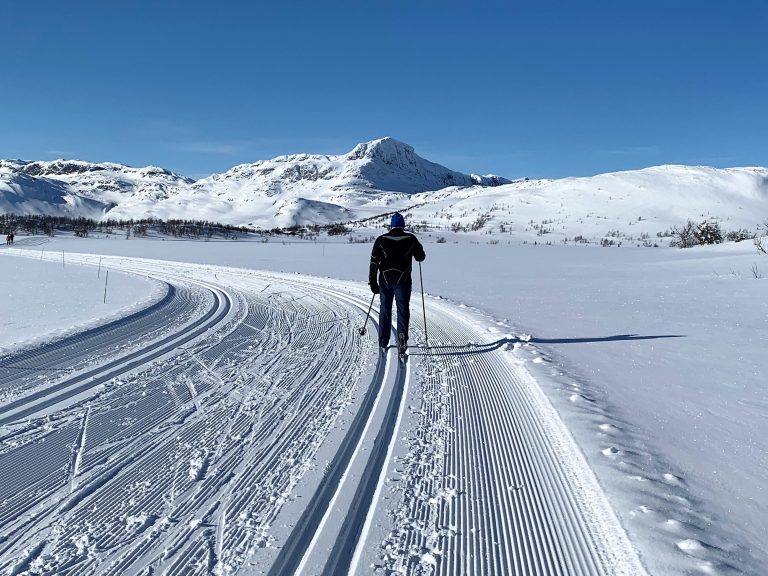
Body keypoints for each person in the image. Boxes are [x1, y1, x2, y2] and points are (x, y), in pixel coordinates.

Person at [369, 212, 426, 355]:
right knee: (402, 310)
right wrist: (418, 249)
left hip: (385, 281)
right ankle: (402, 338)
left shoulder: (381, 239)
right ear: (403, 226)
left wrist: (372, 282)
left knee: (385, 310)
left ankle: (383, 342)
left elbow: (374, 262)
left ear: (391, 226)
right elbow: (421, 257)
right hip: (404, 281)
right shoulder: (410, 238)